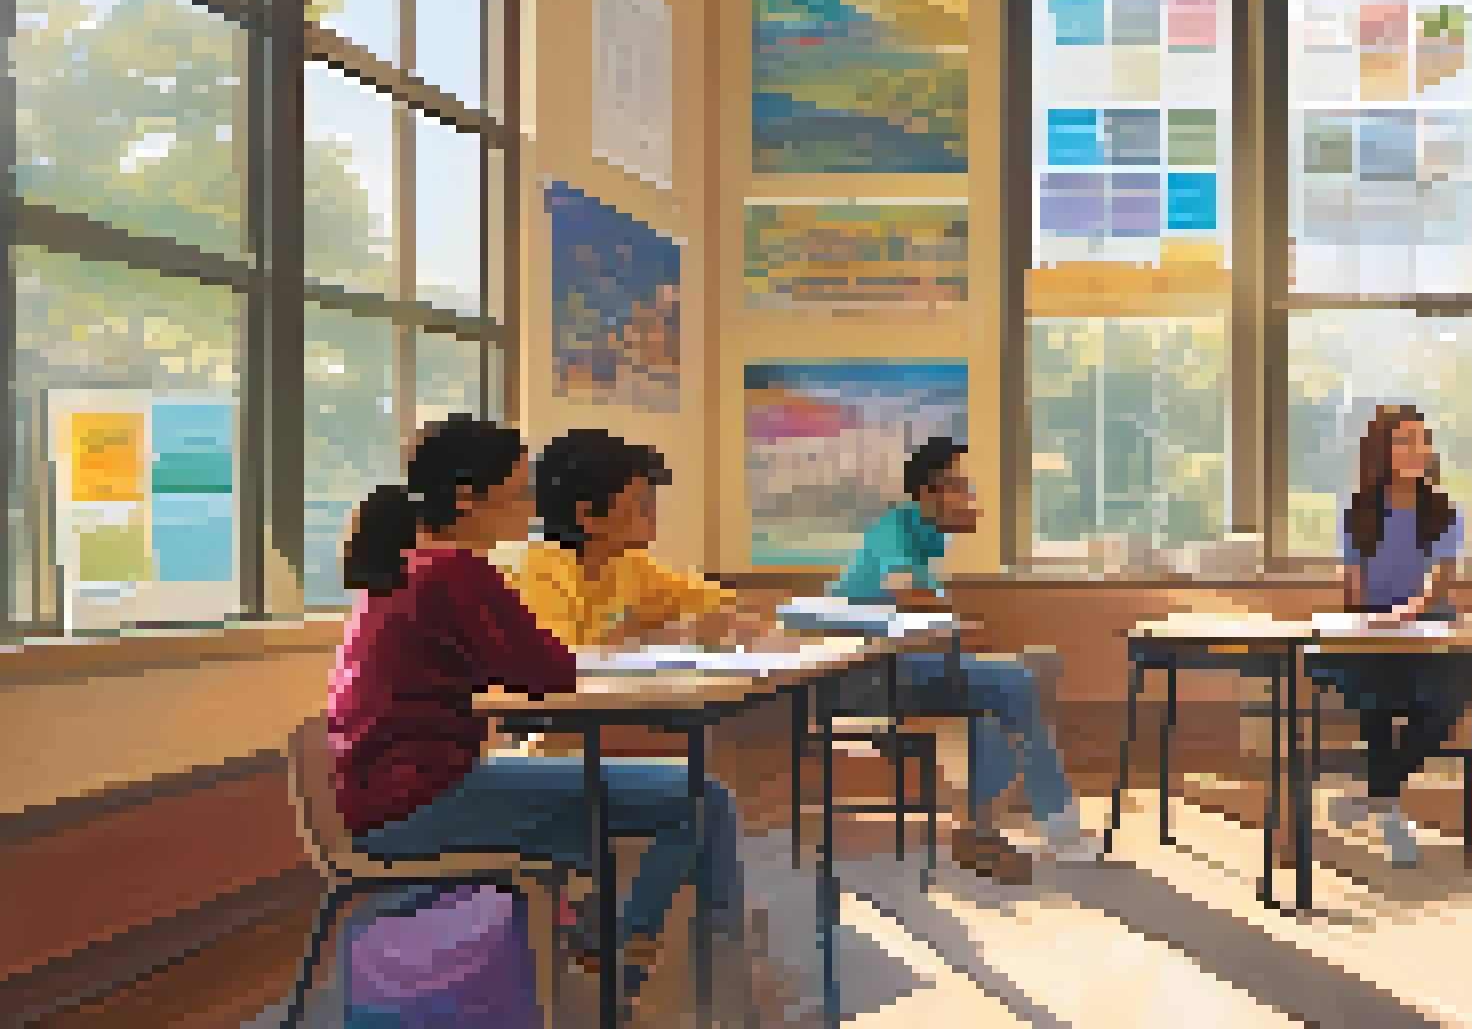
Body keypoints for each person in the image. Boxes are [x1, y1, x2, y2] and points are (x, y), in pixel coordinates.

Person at [326, 414, 746, 1003]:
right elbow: (550, 671)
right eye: (520, 492)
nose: (531, 508)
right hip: (418, 800)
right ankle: (671, 972)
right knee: (701, 801)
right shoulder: (456, 568)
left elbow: (522, 668)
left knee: (615, 821)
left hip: (386, 791)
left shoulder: (412, 561)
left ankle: (608, 954)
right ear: (468, 498)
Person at [828, 437, 1097, 882]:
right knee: (1014, 681)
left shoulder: (924, 539)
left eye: (967, 486)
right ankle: (1048, 825)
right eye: (958, 486)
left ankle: (989, 826)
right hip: (866, 674)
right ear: (928, 493)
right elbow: (907, 595)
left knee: (1006, 692)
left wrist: (953, 624)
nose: (968, 496)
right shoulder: (895, 530)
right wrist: (956, 623)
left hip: (901, 666)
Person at [1311, 404, 1472, 869]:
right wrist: (1371, 620)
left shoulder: (1443, 510)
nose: (1416, 449)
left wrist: (1408, 612)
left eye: (1422, 439)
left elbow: (1440, 578)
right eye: (1404, 440)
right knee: (1378, 706)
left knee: (1443, 710)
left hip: (1429, 624)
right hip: (1372, 628)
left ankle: (1373, 798)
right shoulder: (1358, 511)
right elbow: (1352, 580)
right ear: (1381, 450)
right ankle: (1390, 817)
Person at [493, 429, 774, 649]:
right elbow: (562, 664)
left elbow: (705, 598)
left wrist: (763, 611)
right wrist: (662, 632)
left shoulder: (627, 563)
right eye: (641, 503)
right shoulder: (535, 573)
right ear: (587, 514)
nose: (654, 514)